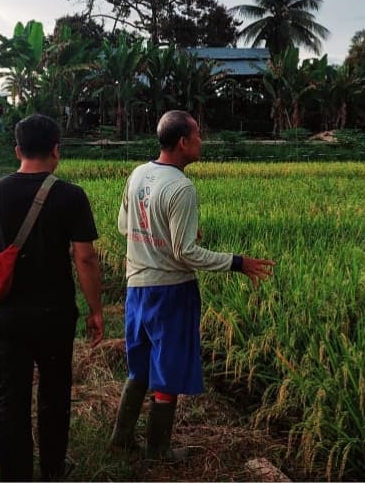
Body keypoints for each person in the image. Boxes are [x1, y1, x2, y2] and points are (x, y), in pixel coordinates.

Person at [108, 110, 276, 460]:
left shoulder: (139, 173)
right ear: (183, 142)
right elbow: (186, 253)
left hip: (137, 287)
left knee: (140, 364)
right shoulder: (181, 187)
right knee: (167, 369)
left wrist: (165, 234)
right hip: (170, 290)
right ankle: (158, 449)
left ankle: (120, 439)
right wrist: (237, 262)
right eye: (198, 135)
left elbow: (126, 226)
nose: (202, 141)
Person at [0, 113, 104, 481]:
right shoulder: (71, 195)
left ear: (17, 150)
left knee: (10, 398)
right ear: (56, 150)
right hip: (54, 314)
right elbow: (85, 257)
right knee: (55, 394)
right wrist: (95, 310)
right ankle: (54, 469)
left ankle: (16, 474)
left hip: (5, 315)